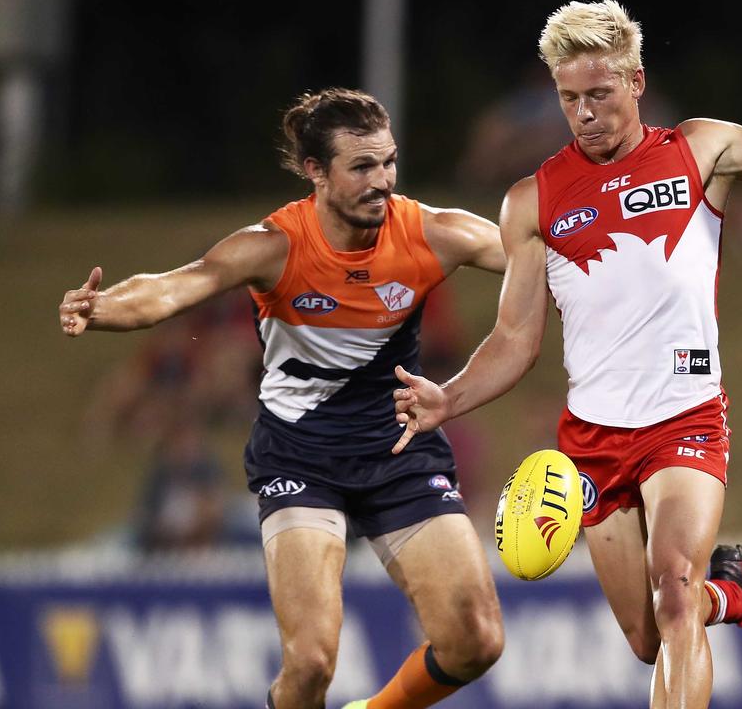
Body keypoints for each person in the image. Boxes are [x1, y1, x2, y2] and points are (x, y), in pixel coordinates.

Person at [391, 0, 742, 707]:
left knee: (674, 594)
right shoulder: (531, 202)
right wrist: (449, 396)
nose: (585, 112)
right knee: (648, 638)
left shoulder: (701, 150)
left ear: (636, 81)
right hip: (592, 439)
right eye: (569, 99)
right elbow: (514, 339)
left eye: (600, 93)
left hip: (685, 421)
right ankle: (735, 593)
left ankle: (704, 593)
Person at [58, 88, 507, 709]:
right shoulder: (272, 246)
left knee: (476, 640)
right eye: (362, 168)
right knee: (312, 663)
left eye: (389, 163)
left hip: (400, 454)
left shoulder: (433, 232)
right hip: (301, 462)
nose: (382, 182)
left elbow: (541, 254)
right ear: (315, 172)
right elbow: (170, 290)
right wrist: (101, 308)